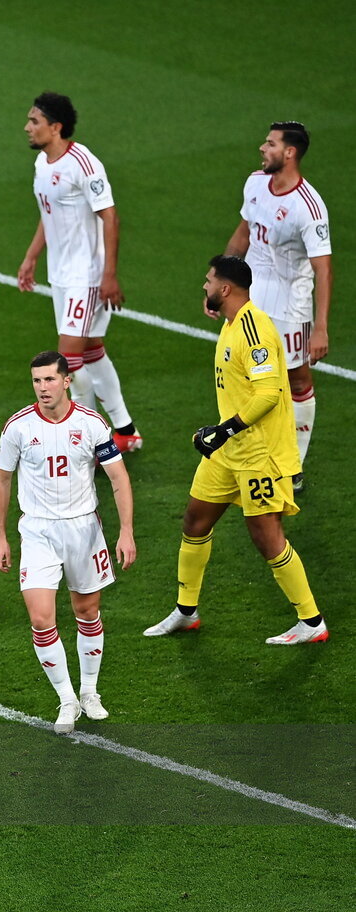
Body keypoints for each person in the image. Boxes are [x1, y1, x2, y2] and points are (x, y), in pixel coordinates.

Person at [145, 256, 328, 645]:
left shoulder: (253, 330)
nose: (204, 286)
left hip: (259, 453)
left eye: (209, 281)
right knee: (195, 521)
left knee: (266, 536)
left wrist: (224, 429)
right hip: (229, 451)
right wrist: (222, 434)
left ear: (225, 289)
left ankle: (311, 622)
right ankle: (185, 611)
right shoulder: (230, 325)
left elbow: (267, 394)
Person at [0, 351, 135, 735]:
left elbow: (118, 478)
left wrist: (126, 532)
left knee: (87, 612)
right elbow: (1, 480)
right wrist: (1, 536)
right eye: (36, 381)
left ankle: (90, 692)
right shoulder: (18, 427)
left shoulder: (91, 424)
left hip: (84, 529)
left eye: (49, 380)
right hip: (37, 531)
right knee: (41, 619)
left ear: (66, 381)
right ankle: (67, 698)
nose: (42, 388)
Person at [17, 92, 142, 454]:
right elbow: (48, 213)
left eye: (34, 121)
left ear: (56, 127)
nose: (27, 127)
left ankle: (89, 437)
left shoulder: (83, 163)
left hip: (86, 275)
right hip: (62, 274)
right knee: (91, 351)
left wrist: (109, 275)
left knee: (66, 360)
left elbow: (110, 216)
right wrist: (31, 257)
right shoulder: (43, 163)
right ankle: (125, 430)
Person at [220, 121, 332, 492]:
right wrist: (220, 282)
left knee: (295, 377)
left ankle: (294, 464)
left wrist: (320, 327)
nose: (261, 149)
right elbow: (243, 233)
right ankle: (255, 451)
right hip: (251, 294)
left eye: (269, 144)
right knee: (249, 373)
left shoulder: (309, 207)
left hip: (290, 301)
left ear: (290, 153)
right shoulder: (255, 183)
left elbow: (323, 268)